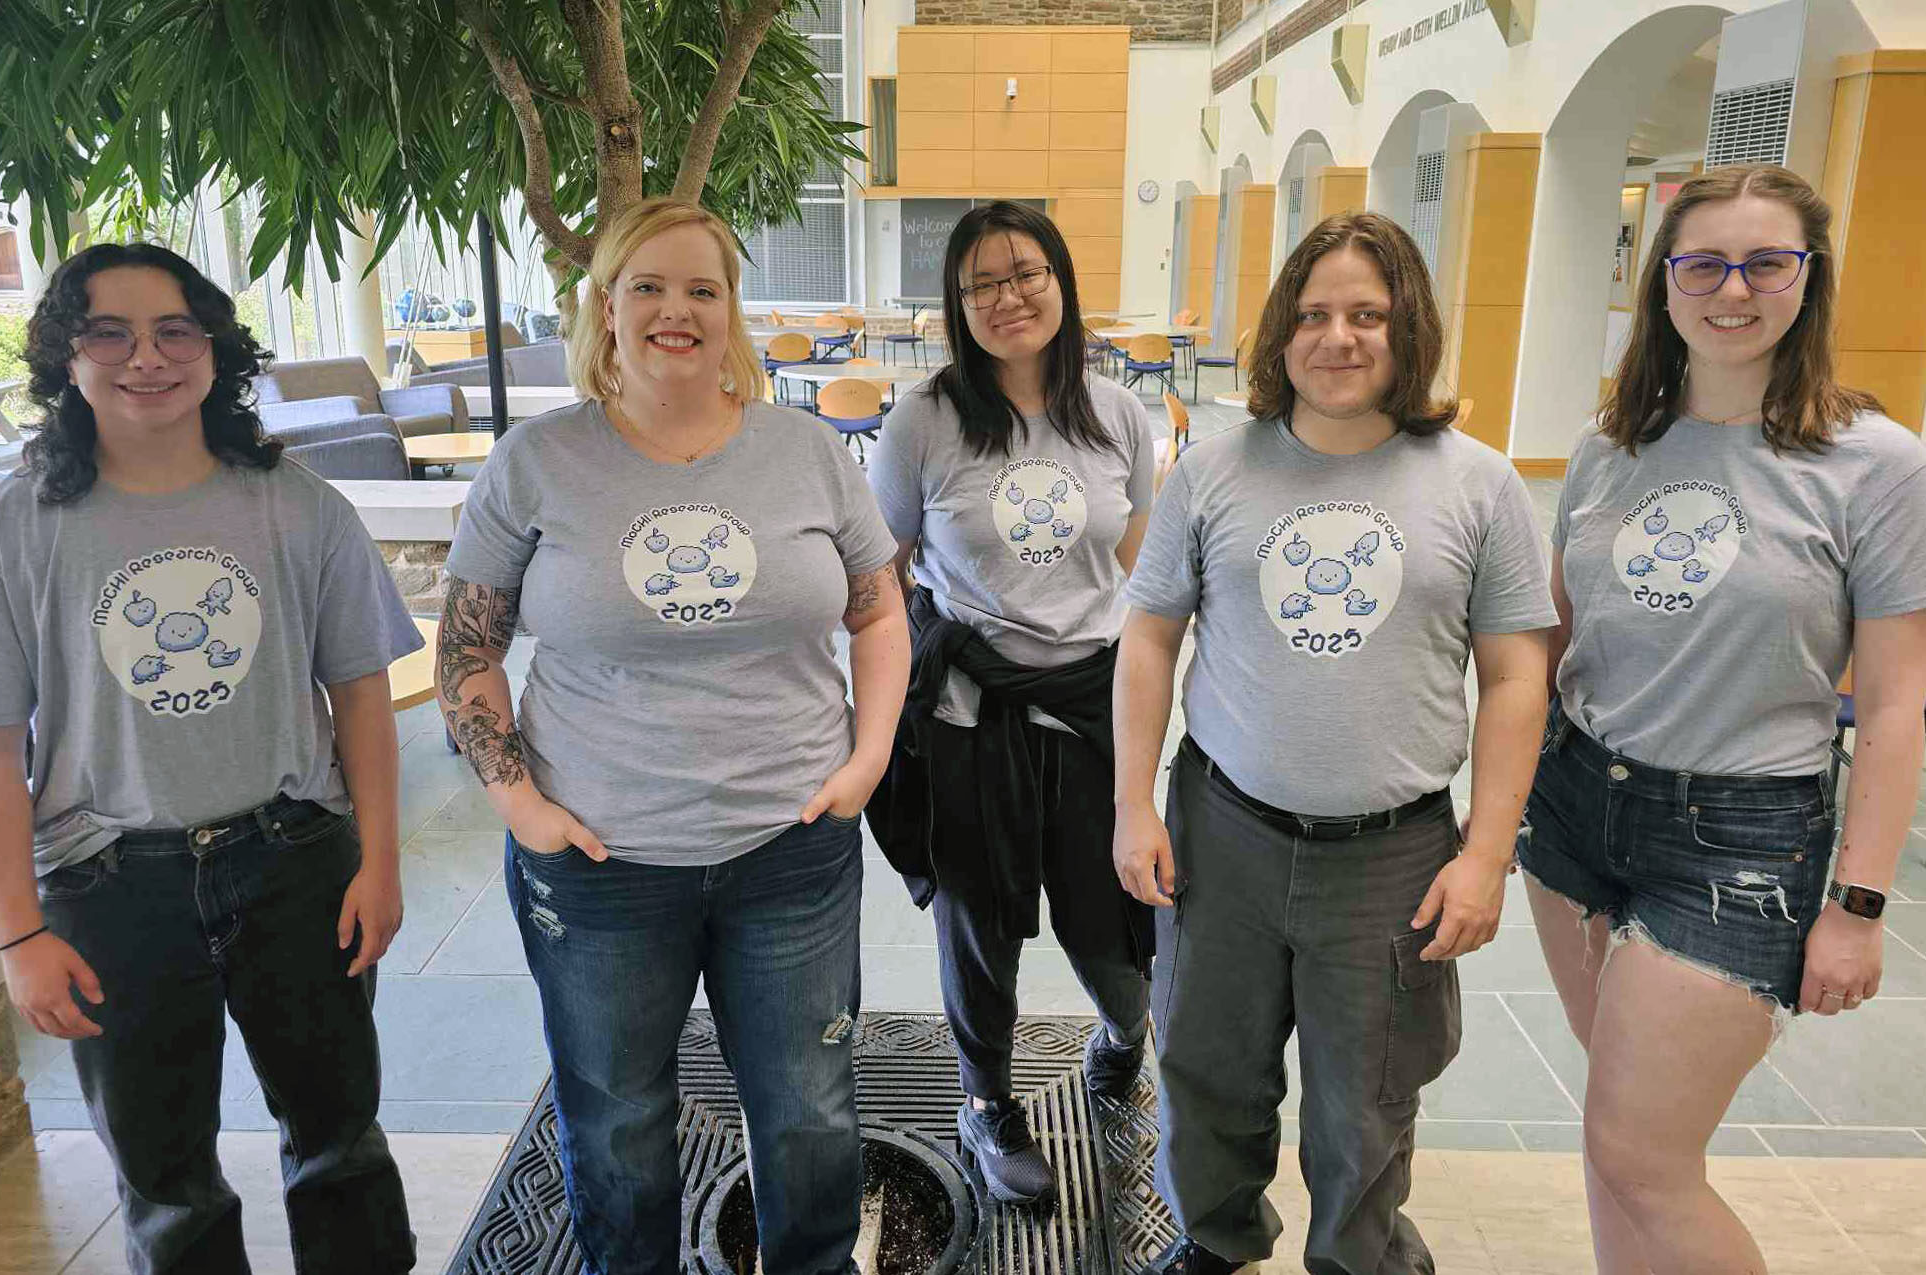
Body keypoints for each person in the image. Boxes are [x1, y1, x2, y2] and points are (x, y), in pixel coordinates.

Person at [436, 197, 907, 1275]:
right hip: (600, 865)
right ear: (605, 304)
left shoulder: (809, 453)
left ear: (733, 309)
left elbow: (879, 609)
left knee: (808, 1115)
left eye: (703, 287)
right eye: (646, 285)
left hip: (790, 848)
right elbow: (466, 651)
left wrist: (868, 756)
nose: (675, 310)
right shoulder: (536, 462)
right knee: (617, 1126)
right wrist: (523, 806)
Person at [1115, 212, 1557, 1275]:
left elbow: (1514, 677)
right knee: (1207, 1071)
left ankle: (1358, 1257)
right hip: (1224, 832)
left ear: (1410, 329)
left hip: (1392, 852)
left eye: (1369, 313)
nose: (1339, 337)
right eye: (1314, 314)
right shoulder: (1214, 472)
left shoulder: (1479, 484)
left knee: (1368, 1098)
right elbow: (1147, 639)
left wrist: (1487, 855)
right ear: (1280, 334)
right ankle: (1216, 1241)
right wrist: (1133, 803)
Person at [0, 243, 420, 1274]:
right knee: (165, 1181)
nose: (147, 358)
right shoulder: (5, 530)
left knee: (341, 1143)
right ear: (63, 356)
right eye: (109, 332)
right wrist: (17, 935)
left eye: (176, 330)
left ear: (216, 349)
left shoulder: (296, 504)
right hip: (107, 884)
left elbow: (361, 700)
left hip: (296, 860)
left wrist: (380, 863)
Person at [1519, 163, 1926, 1275]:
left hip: (1738, 844)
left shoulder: (1876, 466)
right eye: (1702, 262)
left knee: (1643, 1155)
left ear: (1810, 278)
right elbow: (1557, 640)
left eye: (1766, 262)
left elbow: (1895, 704)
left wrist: (1857, 904)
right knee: (1617, 1144)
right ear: (1663, 283)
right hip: (1575, 814)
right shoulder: (1614, 444)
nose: (1731, 289)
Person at [865, 199, 1156, 1207]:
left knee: (1108, 923)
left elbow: (1143, 577)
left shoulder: (1119, 414)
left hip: (1091, 710)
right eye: (981, 282)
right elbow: (879, 576)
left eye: (1025, 272)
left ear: (1063, 281)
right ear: (957, 303)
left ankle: (1125, 1035)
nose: (1008, 296)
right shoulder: (925, 420)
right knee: (978, 925)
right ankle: (985, 1099)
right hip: (968, 714)